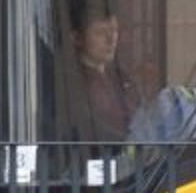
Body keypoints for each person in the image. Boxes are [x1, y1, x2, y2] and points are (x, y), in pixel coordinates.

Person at [57, 8, 144, 143]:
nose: (111, 39)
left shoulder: (125, 80)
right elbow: (86, 127)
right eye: (100, 32)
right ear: (77, 38)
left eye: (114, 30)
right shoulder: (70, 83)